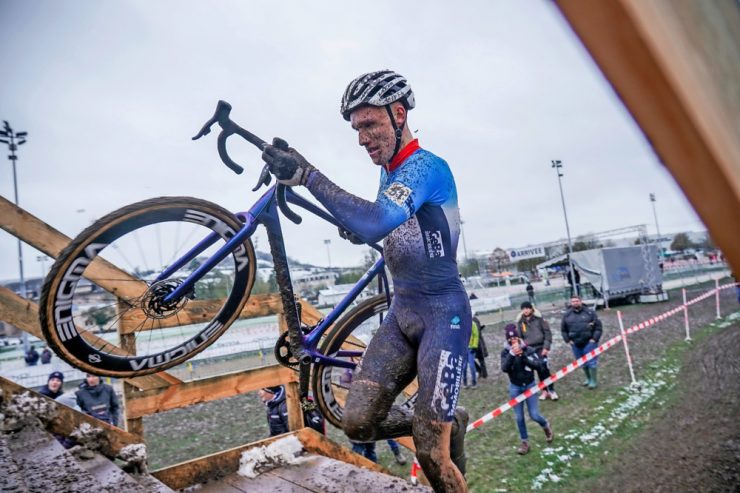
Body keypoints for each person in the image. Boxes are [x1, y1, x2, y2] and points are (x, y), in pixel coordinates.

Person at [262, 70, 470, 491]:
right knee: (357, 422)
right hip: (403, 312)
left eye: (370, 124)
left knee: (431, 453)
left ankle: (440, 433)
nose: (361, 138)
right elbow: (389, 227)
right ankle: (448, 423)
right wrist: (356, 227)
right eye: (356, 129)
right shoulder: (388, 173)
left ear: (398, 114)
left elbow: (377, 221)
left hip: (442, 316)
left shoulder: (425, 167)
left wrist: (307, 175)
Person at [501, 324, 554, 455]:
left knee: (534, 415)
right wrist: (512, 355)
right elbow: (504, 368)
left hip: (529, 385)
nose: (513, 341)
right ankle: (525, 443)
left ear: (519, 338)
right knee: (519, 417)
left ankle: (545, 426)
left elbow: (539, 366)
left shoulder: (528, 349)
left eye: (515, 339)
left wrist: (524, 357)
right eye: (510, 340)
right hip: (515, 387)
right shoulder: (505, 352)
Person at [516, 301, 558, 401]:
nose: (525, 310)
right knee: (535, 370)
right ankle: (544, 391)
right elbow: (519, 337)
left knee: (544, 369)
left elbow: (547, 333)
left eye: (527, 308)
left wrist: (546, 347)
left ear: (531, 309)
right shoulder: (520, 322)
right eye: (524, 309)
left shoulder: (539, 319)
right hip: (528, 350)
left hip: (540, 348)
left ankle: (551, 390)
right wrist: (522, 348)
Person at [561, 296, 603, 389]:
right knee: (581, 362)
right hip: (575, 343)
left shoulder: (590, 313)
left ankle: (593, 381)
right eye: (573, 301)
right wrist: (568, 340)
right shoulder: (567, 315)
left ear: (581, 301)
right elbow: (563, 330)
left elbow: (598, 327)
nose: (575, 303)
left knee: (591, 362)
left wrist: (594, 339)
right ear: (571, 303)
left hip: (589, 342)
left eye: (577, 301)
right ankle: (588, 378)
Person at [258, 386, 326, 436]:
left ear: (270, 390)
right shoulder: (271, 407)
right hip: (285, 446)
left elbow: (317, 421)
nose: (259, 393)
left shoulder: (296, 398)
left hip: (306, 443)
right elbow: (275, 433)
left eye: (262, 389)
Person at [462, 318, 479, 388]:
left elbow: (476, 336)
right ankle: (465, 383)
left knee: (472, 366)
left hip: (471, 349)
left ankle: (474, 382)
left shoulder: (472, 324)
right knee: (464, 366)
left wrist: (474, 347)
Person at [473, 314, 488, 379]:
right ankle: (480, 371)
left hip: (477, 343)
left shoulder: (474, 320)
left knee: (481, 359)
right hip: (470, 343)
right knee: (469, 359)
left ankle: (484, 374)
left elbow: (477, 331)